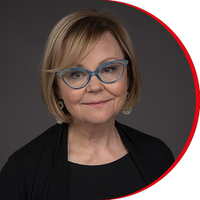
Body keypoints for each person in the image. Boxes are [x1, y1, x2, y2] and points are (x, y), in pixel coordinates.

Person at [0, 10, 175, 200]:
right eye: (76, 73)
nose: (95, 87)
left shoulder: (159, 156)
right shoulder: (22, 172)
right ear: (57, 88)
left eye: (108, 68)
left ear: (129, 76)